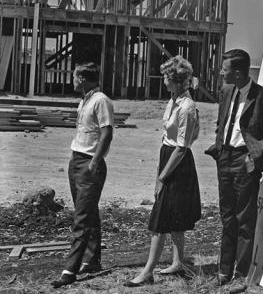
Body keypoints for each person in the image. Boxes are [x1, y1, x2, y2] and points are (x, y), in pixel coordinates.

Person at [206, 49, 263, 292]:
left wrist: (255, 159)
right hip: (225, 159)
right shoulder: (226, 91)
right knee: (227, 218)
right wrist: (218, 149)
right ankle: (223, 271)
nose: (221, 72)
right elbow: (222, 122)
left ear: (238, 72)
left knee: (244, 221)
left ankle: (240, 277)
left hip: (244, 162)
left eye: (225, 69)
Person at [124, 55, 201, 287]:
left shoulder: (187, 107)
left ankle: (147, 272)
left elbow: (182, 146)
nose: (163, 80)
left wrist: (162, 177)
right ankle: (178, 262)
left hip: (178, 162)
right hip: (168, 156)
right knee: (174, 215)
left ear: (176, 80)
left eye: (166, 77)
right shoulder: (173, 100)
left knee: (158, 220)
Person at [52, 62, 114, 288]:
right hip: (77, 159)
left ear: (83, 79)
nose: (72, 79)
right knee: (89, 213)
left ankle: (70, 270)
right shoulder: (85, 100)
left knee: (81, 218)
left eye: (74, 76)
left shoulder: (101, 101)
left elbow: (107, 133)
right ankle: (92, 260)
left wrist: (95, 161)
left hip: (90, 163)